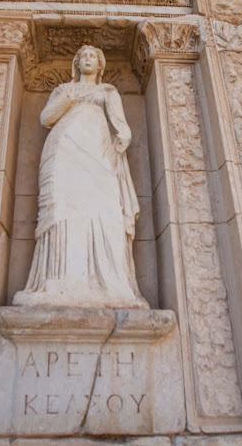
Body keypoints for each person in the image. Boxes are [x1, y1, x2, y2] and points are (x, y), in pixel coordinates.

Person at [13, 45, 148, 309]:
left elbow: (123, 129)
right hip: (63, 151)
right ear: (76, 64)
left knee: (104, 210)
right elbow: (45, 118)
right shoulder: (64, 90)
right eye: (83, 56)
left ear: (100, 66)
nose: (87, 59)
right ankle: (58, 281)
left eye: (93, 57)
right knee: (62, 209)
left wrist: (116, 149)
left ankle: (111, 283)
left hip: (98, 153)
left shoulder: (107, 91)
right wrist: (69, 98)